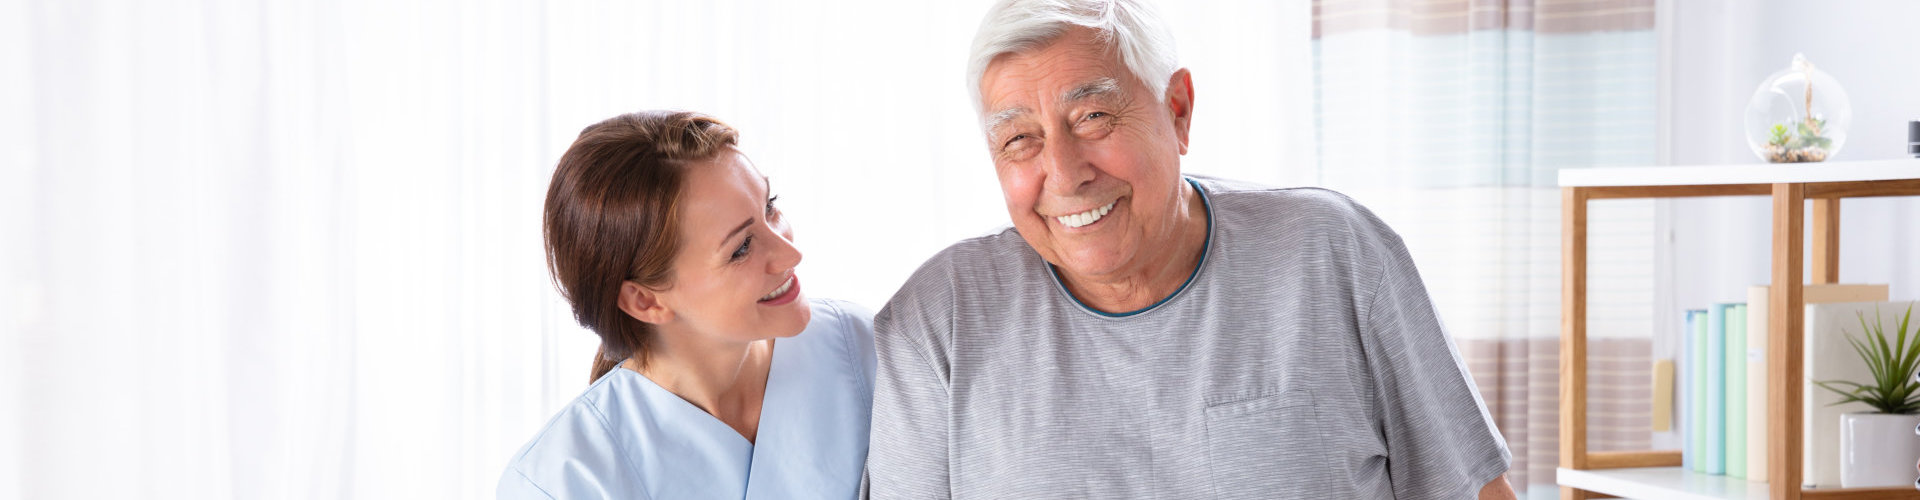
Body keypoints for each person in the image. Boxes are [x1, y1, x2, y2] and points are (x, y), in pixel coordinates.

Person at [864, 1, 1516, 498]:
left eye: (1092, 117)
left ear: (1177, 109)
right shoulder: (935, 322)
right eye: (1019, 141)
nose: (1064, 174)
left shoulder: (1333, 253)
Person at [499, 111, 875, 500]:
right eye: (741, 248)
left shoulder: (869, 354)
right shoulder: (565, 481)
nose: (791, 254)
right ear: (645, 300)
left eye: (770, 207)